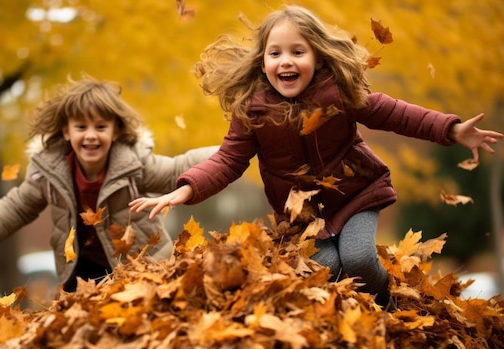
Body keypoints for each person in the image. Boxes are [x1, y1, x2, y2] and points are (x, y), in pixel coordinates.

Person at [129, 5, 503, 307]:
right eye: (275, 53)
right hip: (302, 217)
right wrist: (185, 189)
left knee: (356, 259)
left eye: (297, 52)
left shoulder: (340, 94)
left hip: (356, 195)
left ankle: (391, 306)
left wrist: (451, 130)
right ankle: (350, 316)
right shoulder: (253, 112)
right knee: (325, 267)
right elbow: (227, 160)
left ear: (318, 57)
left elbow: (396, 113)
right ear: (262, 62)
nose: (285, 61)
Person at [0, 75, 217, 292]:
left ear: (115, 130)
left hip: (138, 261)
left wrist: (228, 152)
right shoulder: (49, 172)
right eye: (81, 127)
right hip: (79, 268)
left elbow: (177, 168)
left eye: (100, 127)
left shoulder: (133, 164)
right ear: (66, 130)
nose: (91, 136)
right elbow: (17, 205)